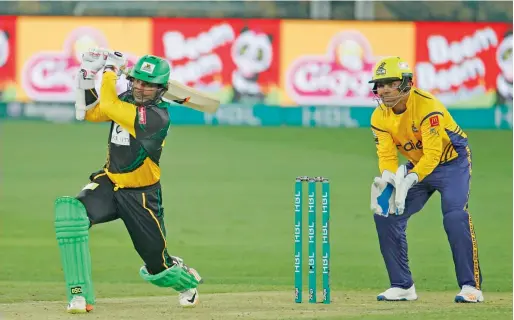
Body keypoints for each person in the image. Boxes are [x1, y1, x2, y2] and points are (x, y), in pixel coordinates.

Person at [54, 48, 202, 314]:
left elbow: (110, 106)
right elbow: (90, 113)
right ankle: (79, 295)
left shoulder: (156, 117)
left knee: (159, 268)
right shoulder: (125, 97)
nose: (140, 88)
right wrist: (87, 76)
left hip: (142, 196)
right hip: (110, 183)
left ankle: (187, 280)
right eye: (137, 81)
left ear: (161, 89)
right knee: (70, 215)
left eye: (148, 85)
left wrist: (109, 70)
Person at [368, 56, 483, 303]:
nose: (383, 90)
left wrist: (410, 179)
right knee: (385, 214)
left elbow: (433, 155)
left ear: (406, 83)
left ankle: (470, 286)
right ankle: (402, 285)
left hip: (452, 161)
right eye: (379, 84)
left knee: (454, 215)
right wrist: (389, 179)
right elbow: (387, 156)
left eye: (390, 83)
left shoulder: (427, 106)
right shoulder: (379, 117)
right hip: (416, 164)